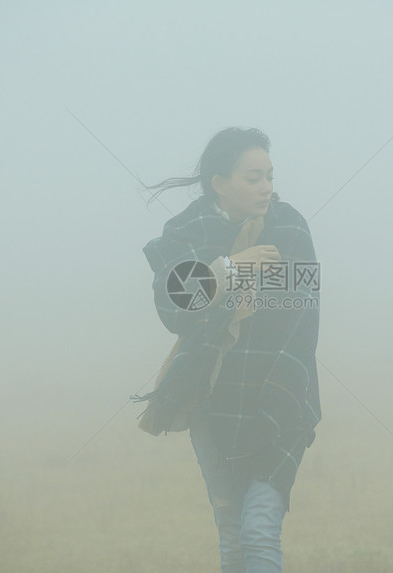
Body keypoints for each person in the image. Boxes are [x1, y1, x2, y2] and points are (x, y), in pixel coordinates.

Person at [135, 127, 321, 573]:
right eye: (253, 177)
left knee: (258, 530)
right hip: (213, 405)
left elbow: (300, 319)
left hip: (281, 397)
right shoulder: (186, 231)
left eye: (270, 176)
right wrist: (231, 269)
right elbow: (174, 310)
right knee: (233, 534)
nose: (267, 188)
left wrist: (281, 400)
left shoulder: (290, 228)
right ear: (219, 182)